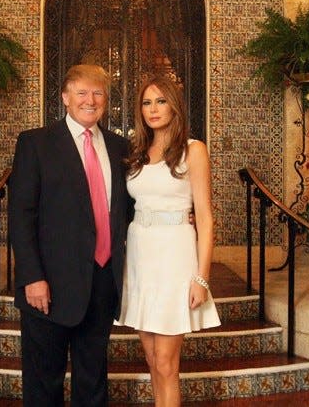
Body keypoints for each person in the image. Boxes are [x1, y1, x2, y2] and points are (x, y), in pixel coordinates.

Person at [8, 64, 131, 406]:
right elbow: (21, 216)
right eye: (81, 92)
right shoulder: (36, 143)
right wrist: (32, 277)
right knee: (43, 383)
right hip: (48, 286)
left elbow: (130, 211)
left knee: (92, 381)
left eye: (98, 93)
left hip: (102, 282)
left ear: (107, 100)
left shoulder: (121, 148)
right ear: (65, 98)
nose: (90, 100)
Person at [116, 74, 221, 406]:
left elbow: (205, 217)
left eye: (161, 101)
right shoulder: (135, 151)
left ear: (175, 106)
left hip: (175, 254)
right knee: (151, 360)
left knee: (166, 362)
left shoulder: (194, 149)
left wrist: (201, 278)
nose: (153, 109)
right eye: (147, 102)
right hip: (139, 255)